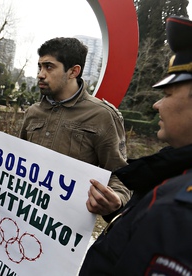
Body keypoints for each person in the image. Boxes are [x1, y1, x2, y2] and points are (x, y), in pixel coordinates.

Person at [79, 15, 192, 275]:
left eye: (167, 94)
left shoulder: (180, 211)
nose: (156, 105)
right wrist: (118, 211)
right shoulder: (171, 171)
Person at [19, 37, 131, 219]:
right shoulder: (33, 112)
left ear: (73, 71)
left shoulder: (103, 116)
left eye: (49, 67)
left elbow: (120, 175)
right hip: (21, 215)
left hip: (65, 228)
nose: (40, 74)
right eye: (39, 66)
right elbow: (17, 160)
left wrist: (116, 199)